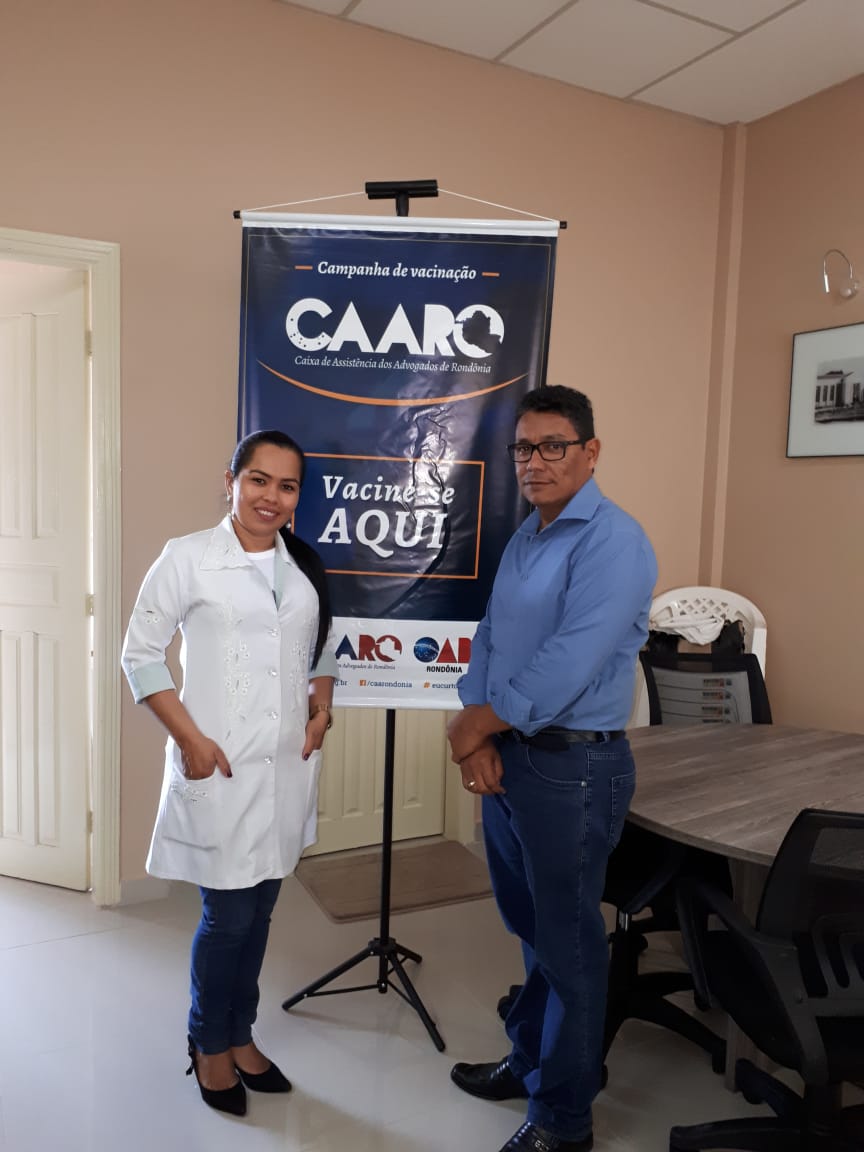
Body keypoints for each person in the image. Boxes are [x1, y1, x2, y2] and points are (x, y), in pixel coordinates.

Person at [447, 386, 657, 1152]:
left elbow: (571, 662)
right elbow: (491, 637)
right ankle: (531, 1060)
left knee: (570, 948)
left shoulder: (614, 541)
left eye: (553, 446)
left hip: (574, 768)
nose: (534, 462)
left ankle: (564, 1121)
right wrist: (479, 734)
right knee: (533, 931)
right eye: (524, 449)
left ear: (590, 453)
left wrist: (478, 723)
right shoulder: (527, 537)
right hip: (512, 759)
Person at [121, 428, 336, 1117]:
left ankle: (240, 1034)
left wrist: (321, 710)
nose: (271, 497)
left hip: (285, 768)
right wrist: (189, 739)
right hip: (217, 764)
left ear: (298, 496)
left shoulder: (302, 565)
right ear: (231, 481)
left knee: (262, 909)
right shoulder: (188, 558)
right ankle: (208, 1041)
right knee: (228, 916)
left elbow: (323, 646)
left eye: (287, 485)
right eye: (258, 480)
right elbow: (139, 655)